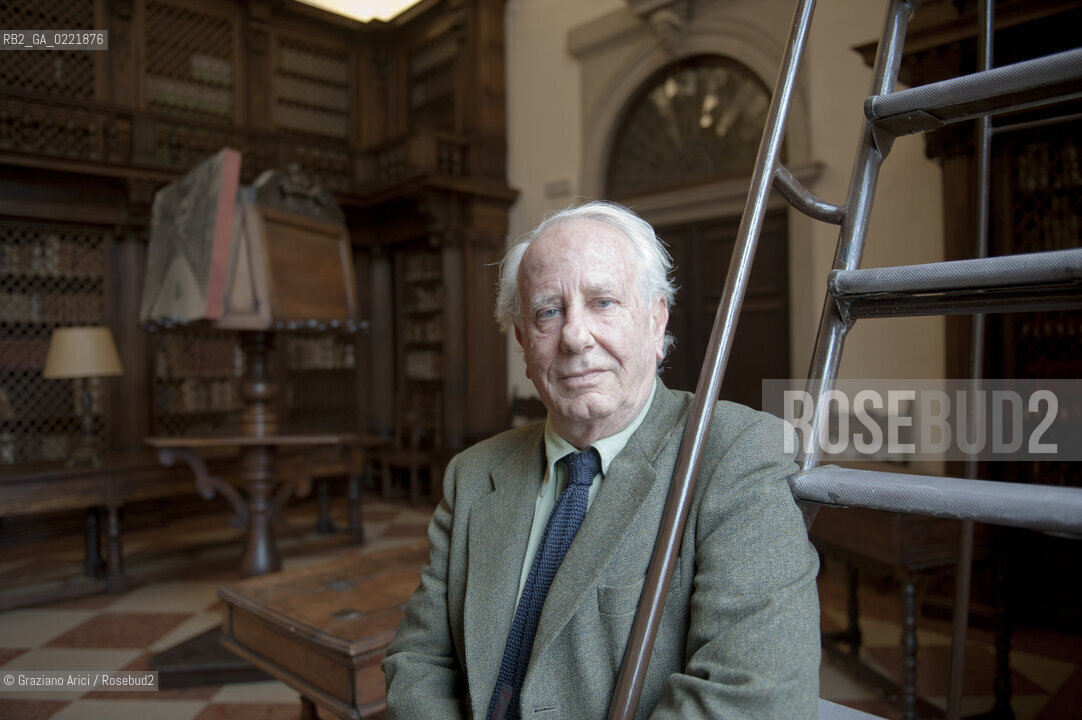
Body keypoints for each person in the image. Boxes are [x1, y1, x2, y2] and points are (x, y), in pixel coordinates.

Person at [382, 201, 820, 719]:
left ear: (656, 323)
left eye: (603, 302)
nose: (573, 336)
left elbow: (754, 699)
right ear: (524, 342)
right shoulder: (473, 475)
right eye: (548, 311)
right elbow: (418, 662)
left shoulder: (737, 452)